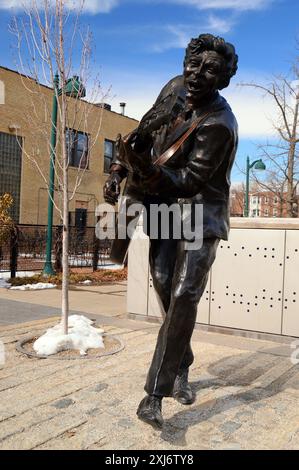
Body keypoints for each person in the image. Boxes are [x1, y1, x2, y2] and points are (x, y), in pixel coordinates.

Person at [103, 33, 238, 429]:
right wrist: (120, 169)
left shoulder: (219, 124)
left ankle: (155, 395)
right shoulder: (174, 87)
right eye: (193, 65)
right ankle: (183, 357)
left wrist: (145, 172)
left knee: (184, 293)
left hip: (200, 210)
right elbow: (145, 133)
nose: (197, 75)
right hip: (164, 201)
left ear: (222, 78)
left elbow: (190, 182)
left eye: (210, 70)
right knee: (162, 281)